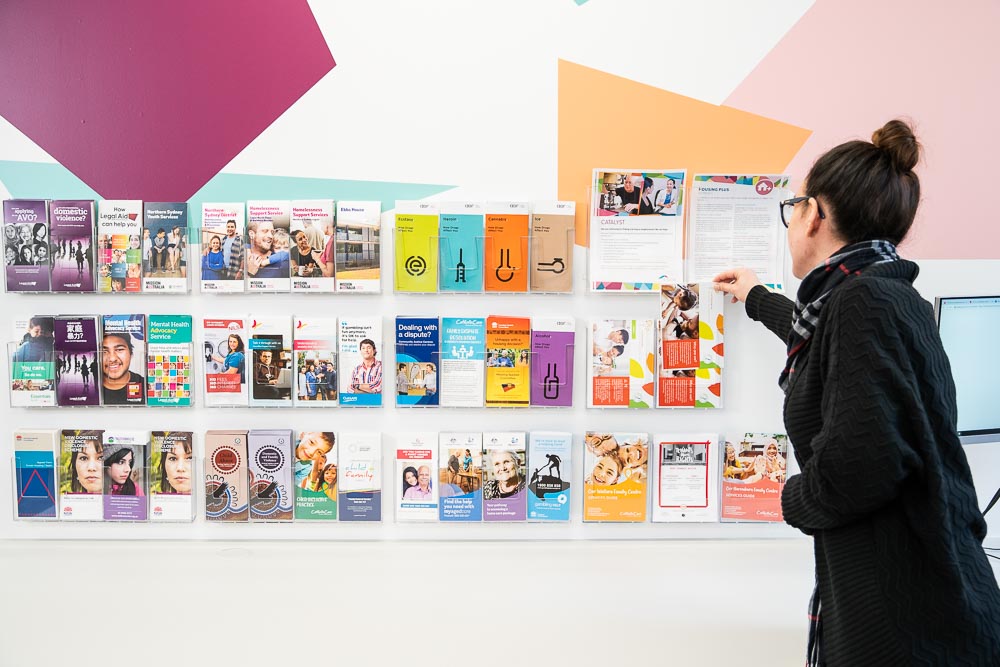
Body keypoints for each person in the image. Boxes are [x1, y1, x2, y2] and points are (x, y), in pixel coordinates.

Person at [713, 119, 1000, 665]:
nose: (790, 223)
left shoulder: (861, 304)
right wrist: (757, 297)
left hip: (907, 620)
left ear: (815, 215)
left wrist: (784, 496)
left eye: (793, 208)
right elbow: (823, 344)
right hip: (928, 594)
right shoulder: (883, 294)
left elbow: (859, 468)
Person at [101, 331, 144, 404]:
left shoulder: (147, 387)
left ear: (131, 354)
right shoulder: (85, 389)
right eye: (103, 351)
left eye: (119, 350)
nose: (112, 359)